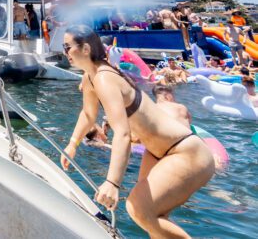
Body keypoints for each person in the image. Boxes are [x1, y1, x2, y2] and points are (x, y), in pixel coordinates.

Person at [61, 25, 214, 237]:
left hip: (184, 151)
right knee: (152, 218)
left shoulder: (105, 78)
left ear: (85, 49)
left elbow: (122, 133)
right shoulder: (90, 77)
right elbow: (88, 114)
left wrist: (112, 182)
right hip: (158, 151)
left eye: (66, 47)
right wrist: (73, 143)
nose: (64, 52)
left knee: (139, 209)